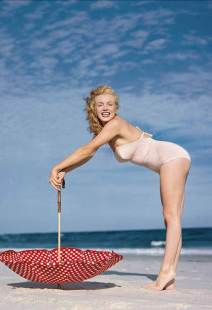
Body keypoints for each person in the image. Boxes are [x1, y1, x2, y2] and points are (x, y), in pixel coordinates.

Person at [49, 86, 191, 291]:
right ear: (93, 109)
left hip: (172, 157)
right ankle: (170, 278)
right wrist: (66, 170)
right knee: (173, 217)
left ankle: (166, 274)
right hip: (174, 158)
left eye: (110, 104)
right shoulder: (109, 130)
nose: (105, 108)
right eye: (100, 105)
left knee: (171, 216)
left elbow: (87, 150)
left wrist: (57, 166)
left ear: (116, 107)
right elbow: (90, 153)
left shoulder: (116, 123)